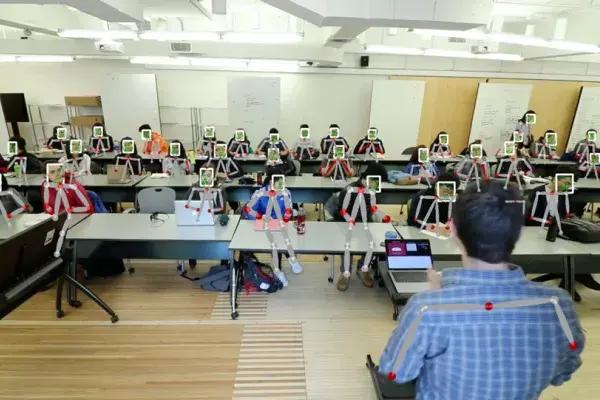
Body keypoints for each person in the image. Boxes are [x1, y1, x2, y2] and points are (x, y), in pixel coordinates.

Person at [379, 180, 585, 399]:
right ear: (519, 231)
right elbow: (563, 372)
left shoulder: (426, 309)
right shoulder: (559, 305)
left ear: (453, 229)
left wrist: (436, 297)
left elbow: (394, 372)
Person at [527, 166, 598, 302]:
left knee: (581, 246)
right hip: (538, 232)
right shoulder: (537, 193)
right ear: (556, 178)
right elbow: (529, 219)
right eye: (567, 182)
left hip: (560, 230)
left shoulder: (566, 194)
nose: (569, 186)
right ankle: (571, 278)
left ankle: (575, 278)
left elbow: (569, 214)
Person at [324, 163, 388, 291]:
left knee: (372, 242)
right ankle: (345, 271)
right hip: (345, 224)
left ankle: (362, 267)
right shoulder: (349, 190)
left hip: (365, 223)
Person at [242, 166, 303, 286]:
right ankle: (279, 271)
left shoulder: (286, 193)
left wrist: (287, 215)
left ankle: (288, 262)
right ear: (271, 181)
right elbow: (249, 211)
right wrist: (261, 216)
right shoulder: (259, 193)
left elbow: (288, 210)